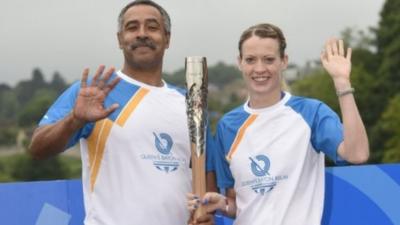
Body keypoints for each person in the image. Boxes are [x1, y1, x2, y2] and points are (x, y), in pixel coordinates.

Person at [29, 1, 215, 224]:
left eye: (152, 27)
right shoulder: (94, 92)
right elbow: (38, 148)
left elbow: (205, 177)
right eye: (132, 27)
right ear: (120, 39)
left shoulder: (190, 104)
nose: (142, 34)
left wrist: (205, 215)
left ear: (167, 38)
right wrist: (75, 119)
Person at [187, 23, 369, 225]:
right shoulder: (227, 126)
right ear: (239, 63)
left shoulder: (311, 113)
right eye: (250, 60)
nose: (259, 68)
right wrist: (222, 204)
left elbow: (358, 154)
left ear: (284, 61)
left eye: (269, 59)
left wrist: (342, 83)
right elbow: (239, 205)